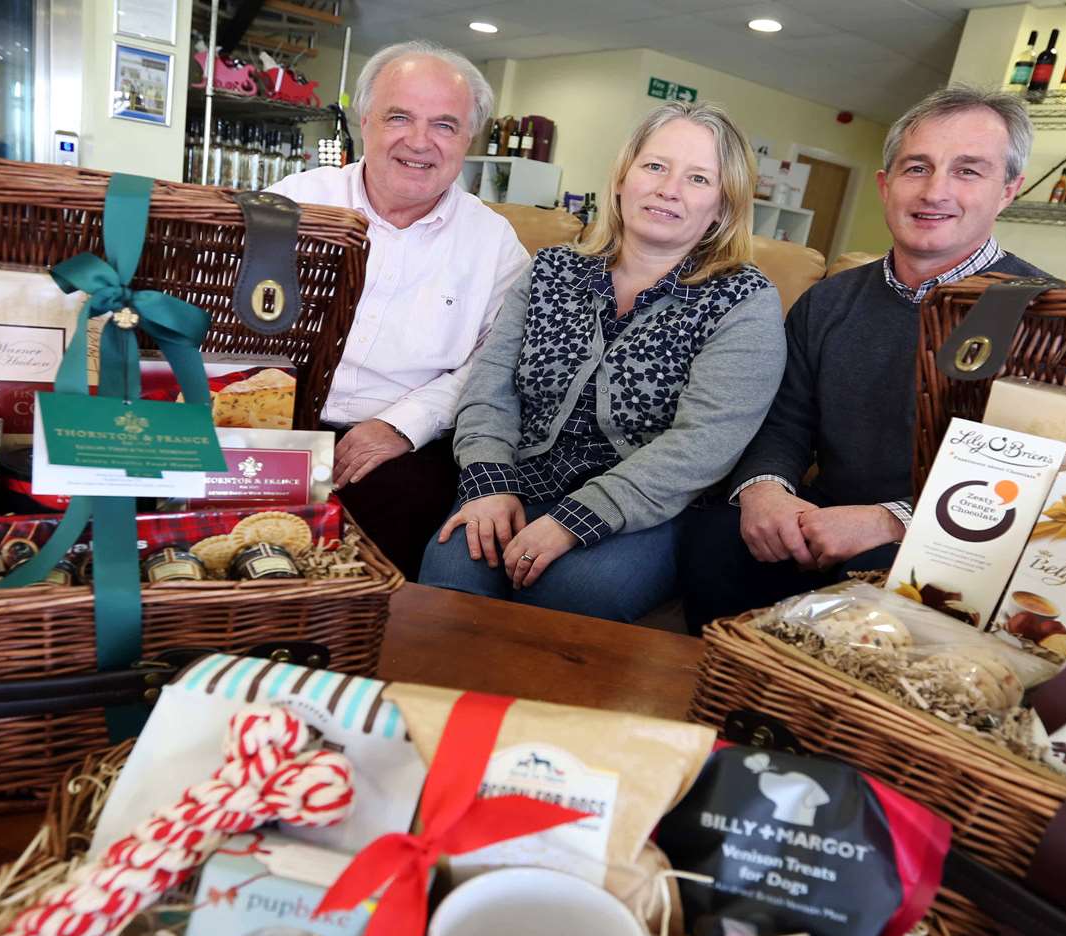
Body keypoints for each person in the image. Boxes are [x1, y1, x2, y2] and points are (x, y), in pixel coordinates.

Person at [680, 85, 1049, 632]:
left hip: (950, 541)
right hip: (816, 518)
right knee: (714, 541)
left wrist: (890, 521)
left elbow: (1033, 476)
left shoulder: (1045, 315)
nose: (935, 191)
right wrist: (765, 491)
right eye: (916, 167)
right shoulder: (829, 300)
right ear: (885, 184)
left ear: (1008, 191)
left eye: (968, 171)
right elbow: (783, 420)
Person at [418, 101, 786, 623]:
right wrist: (487, 481)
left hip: (645, 508)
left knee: (572, 593)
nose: (668, 188)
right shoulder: (551, 269)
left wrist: (577, 519)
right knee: (450, 578)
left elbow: (706, 440)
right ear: (622, 179)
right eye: (655, 166)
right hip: (519, 480)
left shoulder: (744, 298)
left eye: (698, 178)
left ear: (723, 208)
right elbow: (489, 387)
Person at [268, 41, 529, 579]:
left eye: (444, 125)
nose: (419, 141)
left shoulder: (495, 244)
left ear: (467, 139)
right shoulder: (294, 203)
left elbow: (491, 365)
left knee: (390, 536)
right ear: (366, 122)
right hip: (275, 419)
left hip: (401, 442)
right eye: (399, 117)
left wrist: (401, 424)